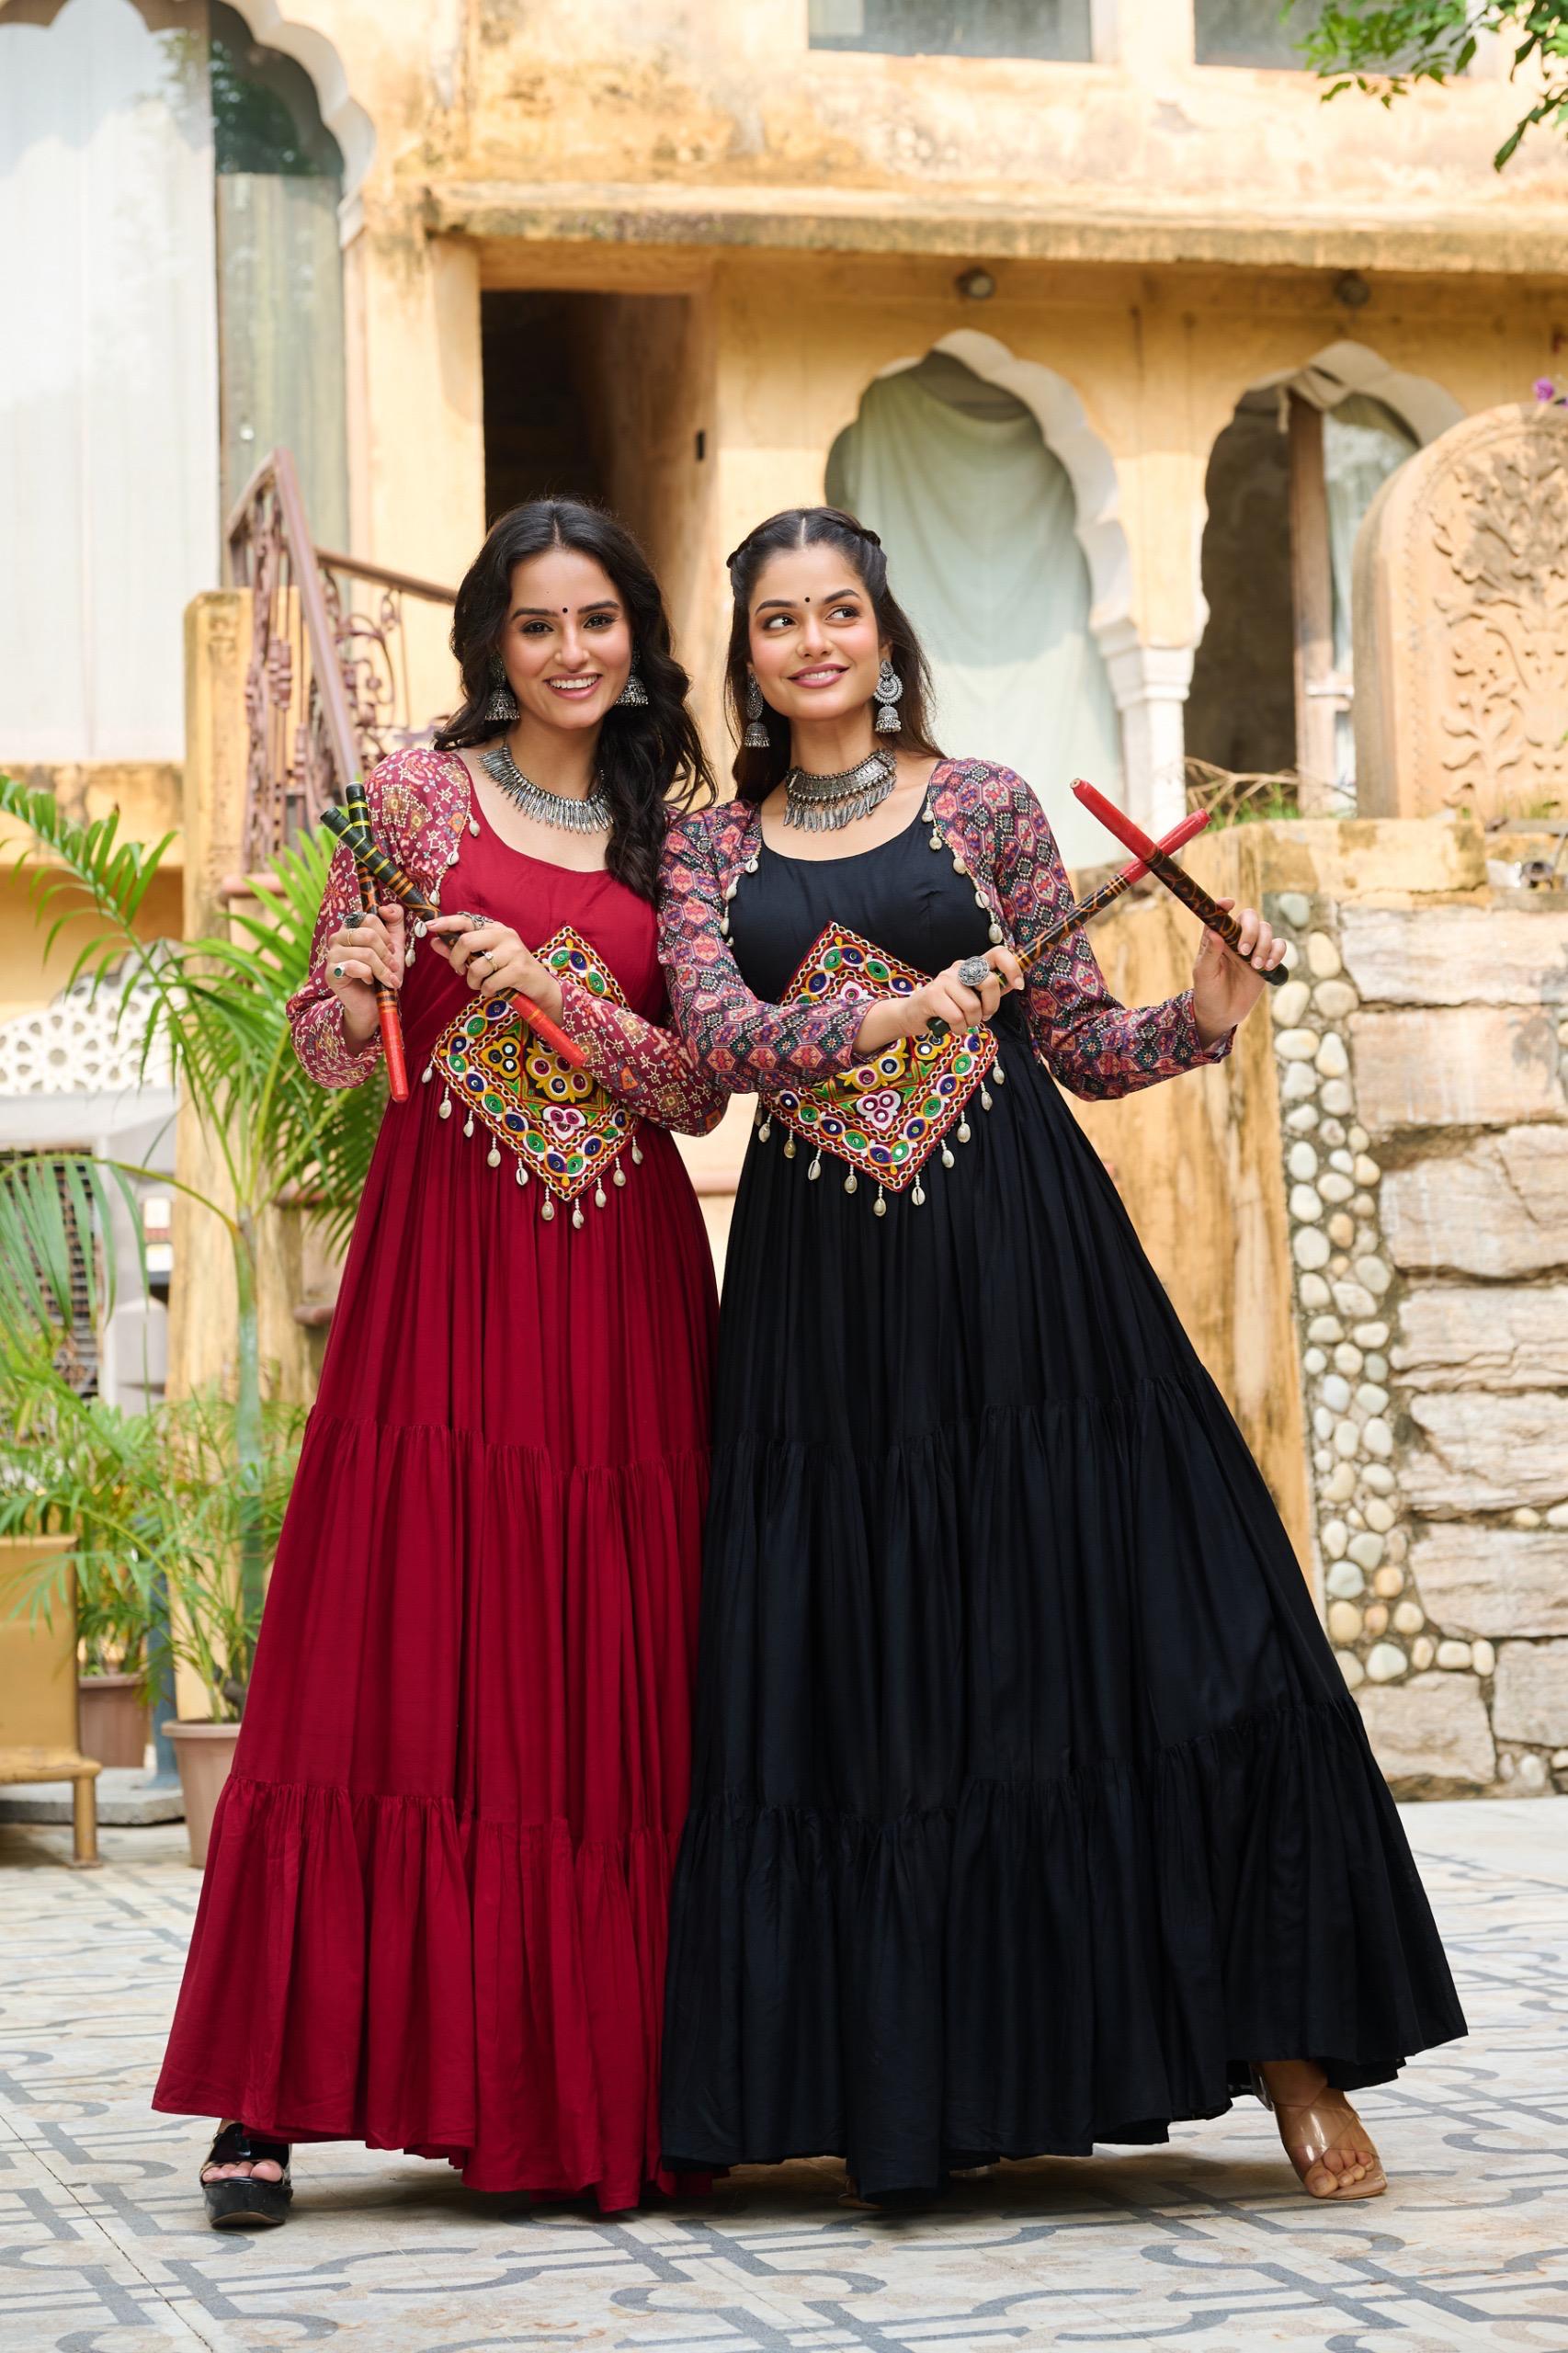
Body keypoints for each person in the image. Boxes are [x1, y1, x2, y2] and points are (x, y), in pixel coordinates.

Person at [655, 505, 1464, 2210]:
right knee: (866, 1680)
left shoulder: (988, 807)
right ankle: (890, 2088)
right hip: (826, 1316)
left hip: (1022, 1271)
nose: (812, 643)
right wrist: (888, 1014)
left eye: (839, 612)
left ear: (885, 634)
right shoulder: (707, 848)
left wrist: (1209, 1010)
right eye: (779, 621)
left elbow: (1085, 1042)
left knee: (1158, 1628)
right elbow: (718, 1047)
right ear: (747, 656)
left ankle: (1290, 2051)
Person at [155, 499, 726, 2225]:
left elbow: (699, 1089)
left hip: (620, 1281)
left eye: (596, 621)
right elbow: (333, 1058)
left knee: (610, 1643)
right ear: (490, 643)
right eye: (536, 625)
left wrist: (545, 992)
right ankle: (267, 2095)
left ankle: (597, 2085)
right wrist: (352, 992)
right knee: (386, 1629)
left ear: (636, 636)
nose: (569, 653)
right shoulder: (407, 802)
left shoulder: (683, 835)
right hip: (447, 1266)